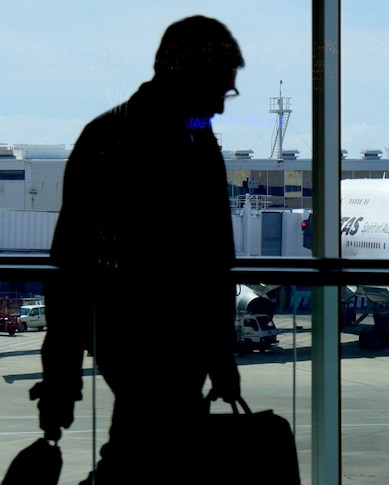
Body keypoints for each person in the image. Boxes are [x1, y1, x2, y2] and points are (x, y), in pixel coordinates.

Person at [30, 15, 244, 484]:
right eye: (220, 90)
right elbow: (214, 262)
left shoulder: (110, 137)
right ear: (187, 75)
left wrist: (61, 377)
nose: (223, 107)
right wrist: (220, 354)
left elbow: (69, 266)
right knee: (148, 455)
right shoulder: (195, 145)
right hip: (161, 342)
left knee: (139, 453)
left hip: (126, 335)